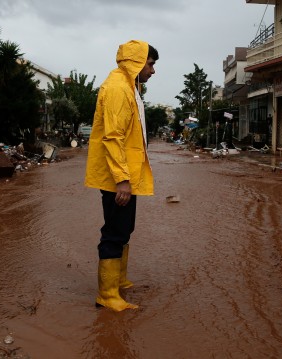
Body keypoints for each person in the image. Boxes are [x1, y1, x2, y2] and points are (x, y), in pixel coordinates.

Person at [85, 40, 158, 312]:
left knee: (125, 228)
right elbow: (113, 137)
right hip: (118, 177)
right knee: (115, 231)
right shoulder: (118, 88)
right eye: (150, 64)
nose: (152, 70)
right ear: (136, 62)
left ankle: (118, 280)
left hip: (126, 174)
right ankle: (107, 294)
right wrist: (122, 180)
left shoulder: (130, 87)